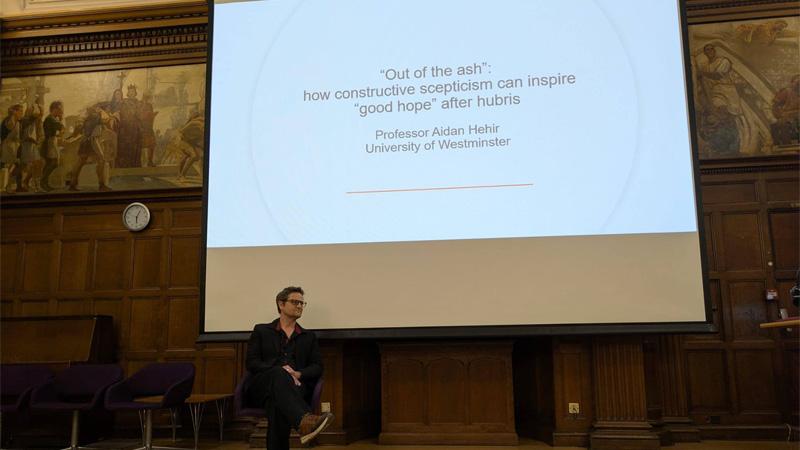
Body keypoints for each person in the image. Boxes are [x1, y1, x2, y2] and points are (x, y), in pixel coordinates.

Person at [245, 286, 334, 450]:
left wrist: (298, 373)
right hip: (261, 387)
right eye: (295, 302)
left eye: (302, 303)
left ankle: (304, 424)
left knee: (276, 404)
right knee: (278, 375)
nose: (300, 306)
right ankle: (303, 420)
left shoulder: (308, 337)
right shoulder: (262, 330)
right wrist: (282, 370)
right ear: (281, 304)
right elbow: (252, 363)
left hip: (294, 388)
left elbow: (317, 367)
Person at [41, 101, 65, 191]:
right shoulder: (50, 119)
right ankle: (43, 182)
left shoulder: (52, 119)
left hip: (52, 141)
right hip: (50, 142)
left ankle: (44, 183)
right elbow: (61, 128)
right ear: (54, 109)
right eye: (59, 109)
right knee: (54, 162)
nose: (60, 111)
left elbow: (60, 131)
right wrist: (61, 119)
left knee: (50, 163)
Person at [1, 104, 24, 193]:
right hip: (8, 146)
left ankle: (8, 186)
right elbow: (7, 133)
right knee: (8, 166)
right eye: (20, 111)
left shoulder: (17, 122)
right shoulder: (9, 121)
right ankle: (6, 186)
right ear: (15, 112)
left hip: (14, 147)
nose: (21, 113)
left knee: (14, 166)